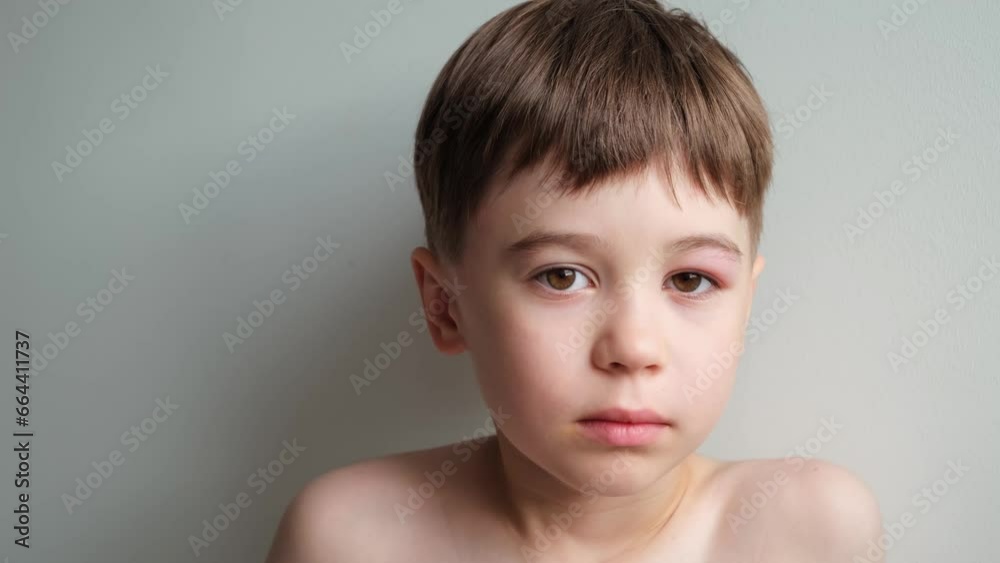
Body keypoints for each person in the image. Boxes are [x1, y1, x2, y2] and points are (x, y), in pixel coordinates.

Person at [265, 0, 883, 560]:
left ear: (747, 306)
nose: (634, 348)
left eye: (691, 280)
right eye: (562, 276)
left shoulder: (810, 532)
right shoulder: (349, 539)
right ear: (445, 305)